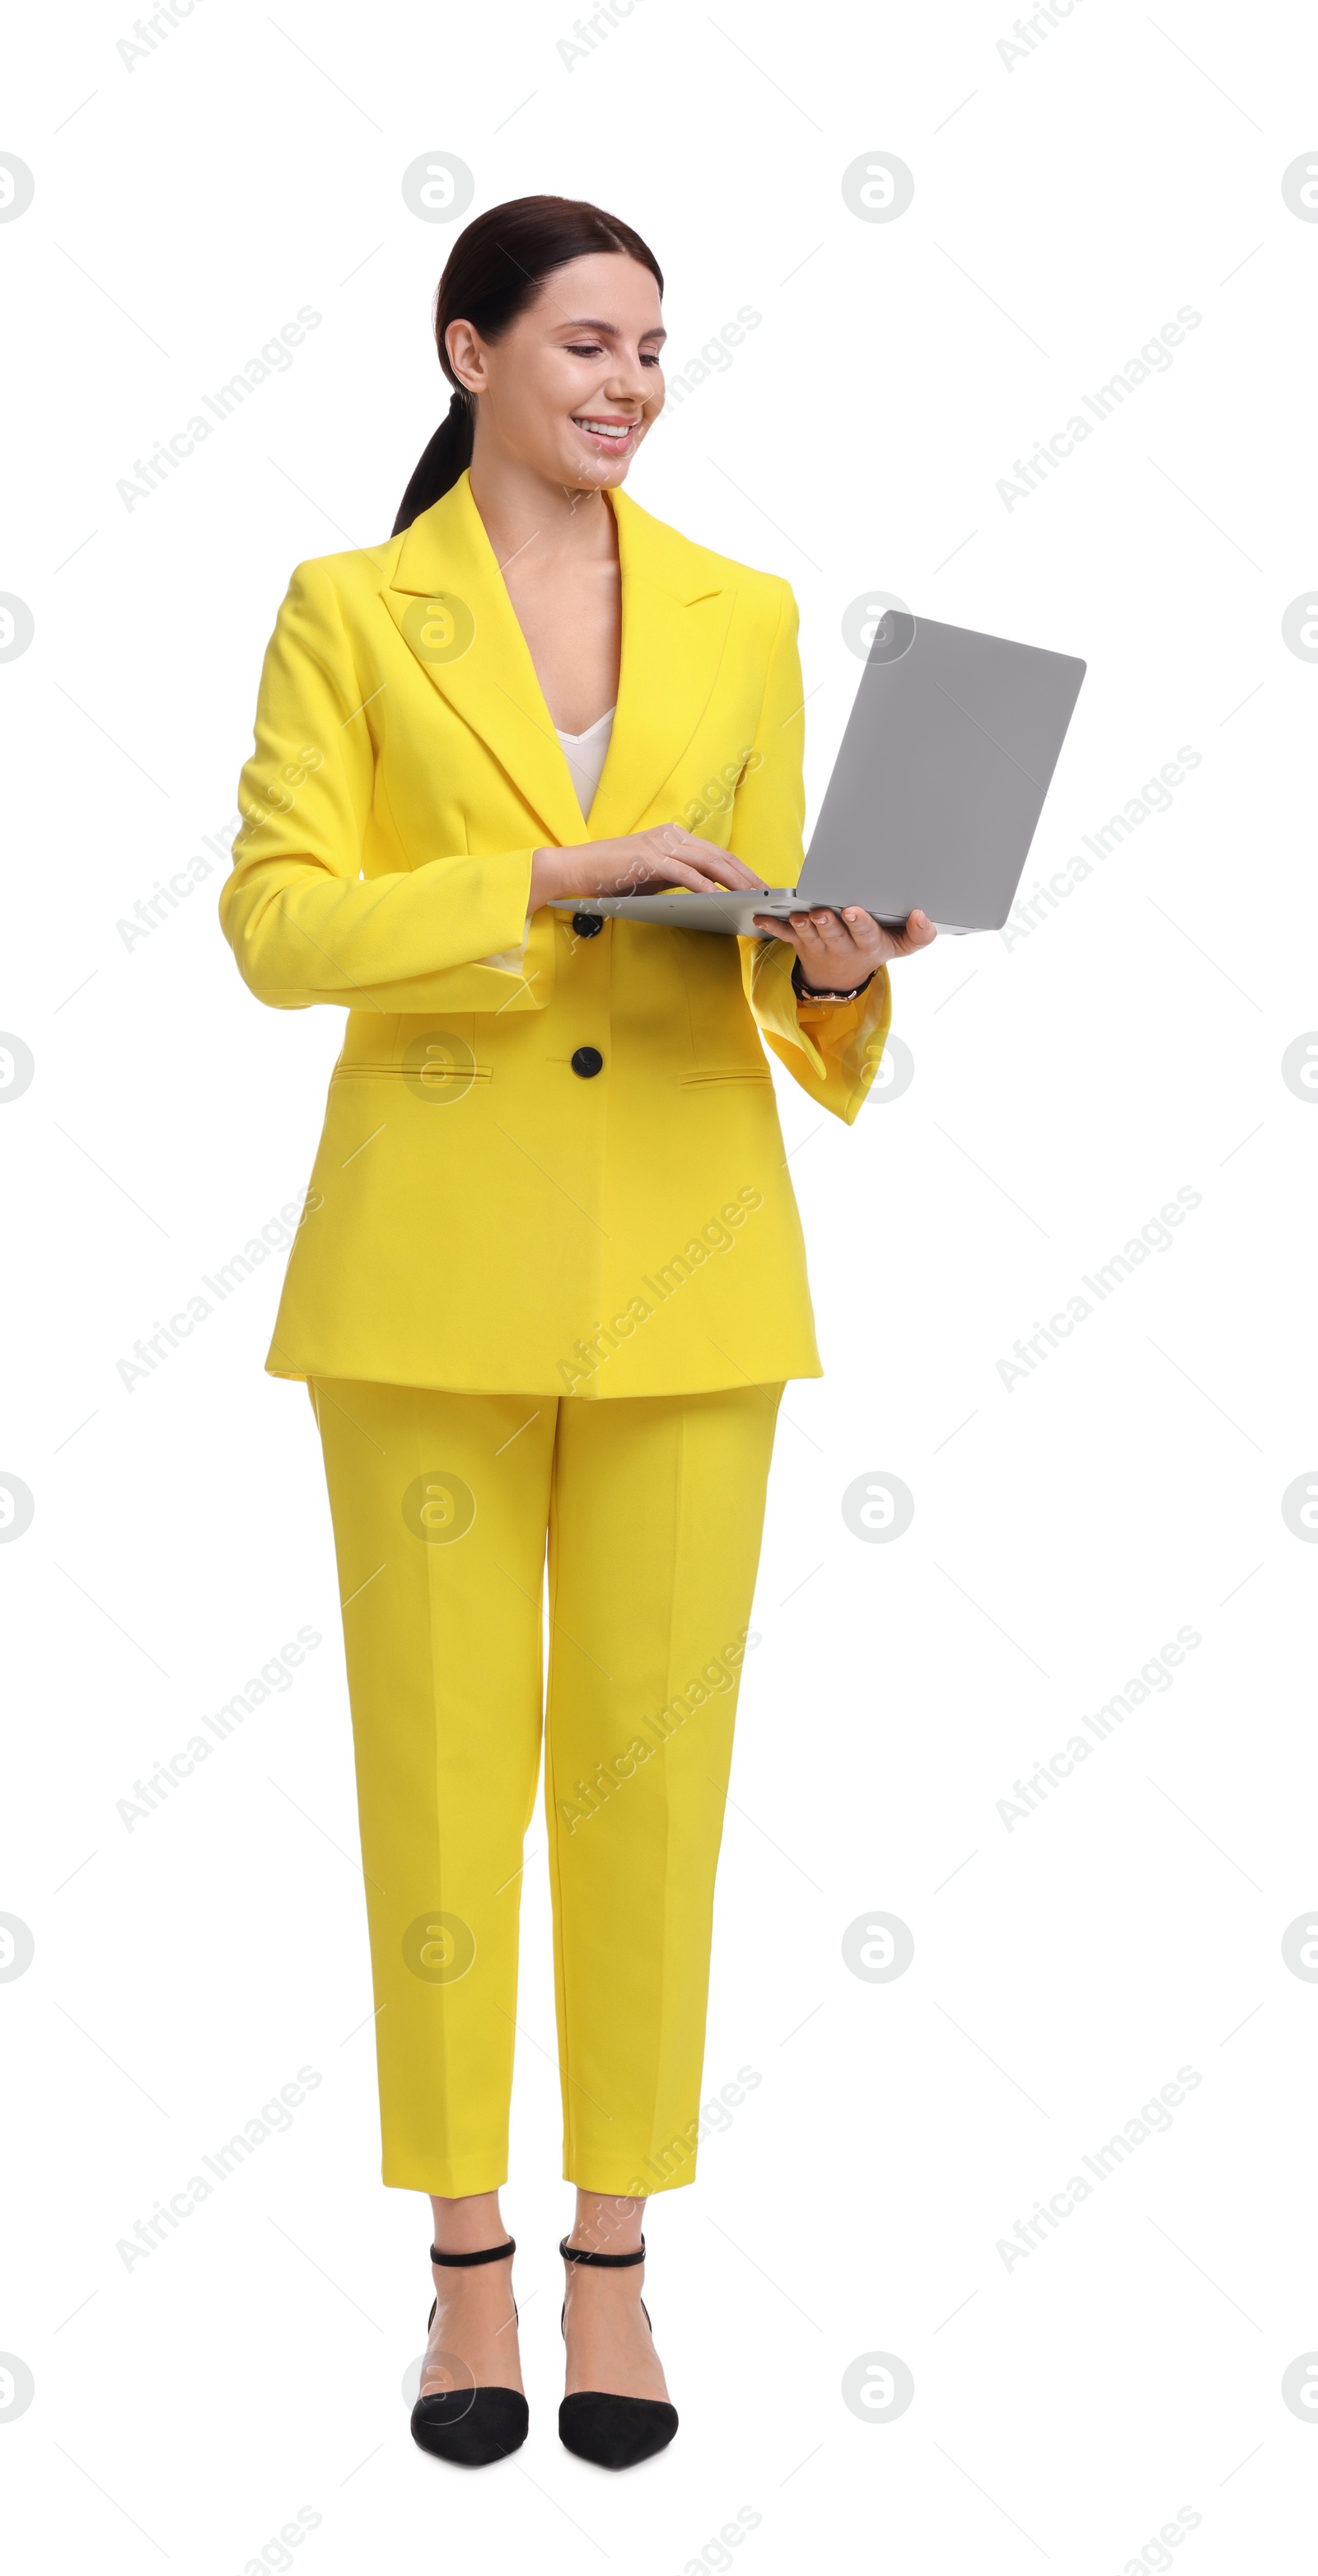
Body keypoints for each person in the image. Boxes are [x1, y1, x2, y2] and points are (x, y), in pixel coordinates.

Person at [220, 193, 934, 2473]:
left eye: (653, 348)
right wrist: (546, 877)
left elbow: (785, 987)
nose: (628, 381)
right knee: (440, 1775)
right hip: (425, 1273)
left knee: (650, 1781)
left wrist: (836, 957)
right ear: (469, 353)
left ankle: (613, 2262)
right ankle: (461, 2267)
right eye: (585, 342)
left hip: (693, 1270)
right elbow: (276, 921)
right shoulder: (351, 612)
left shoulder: (740, 614)